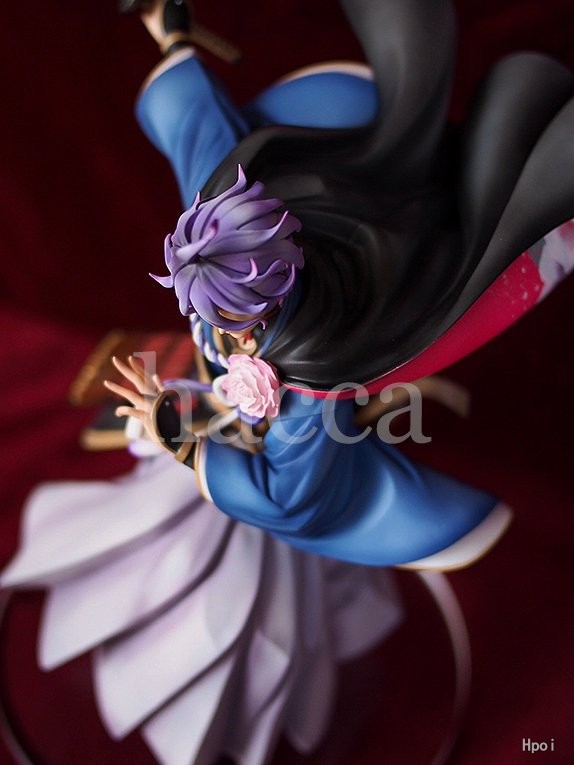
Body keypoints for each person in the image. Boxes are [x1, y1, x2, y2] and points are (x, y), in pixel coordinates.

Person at [3, 1, 574, 763]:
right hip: (213, 439)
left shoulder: (315, 374)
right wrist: (172, 38)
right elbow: (199, 130)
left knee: (260, 617)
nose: (211, 321)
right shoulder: (235, 211)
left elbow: (291, 499)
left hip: (250, 490)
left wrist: (184, 441)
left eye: (226, 318)